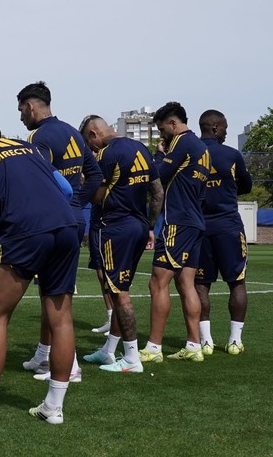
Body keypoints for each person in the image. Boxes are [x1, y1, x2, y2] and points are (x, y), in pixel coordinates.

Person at [0, 129, 78, 426]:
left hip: (25, 229)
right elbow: (67, 190)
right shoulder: (29, 148)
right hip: (66, 225)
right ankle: (54, 407)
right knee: (61, 319)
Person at [14, 81, 102, 382]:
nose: (21, 117)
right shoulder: (72, 133)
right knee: (51, 292)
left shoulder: (38, 137)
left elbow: (38, 181)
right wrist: (76, 203)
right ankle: (43, 354)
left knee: (58, 298)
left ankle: (70, 365)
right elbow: (95, 175)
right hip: (73, 220)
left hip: (52, 223)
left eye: (21, 111)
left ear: (31, 107)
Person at [78, 116, 164, 373]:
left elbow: (97, 196)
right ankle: (109, 350)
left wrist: (83, 183)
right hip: (139, 226)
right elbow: (158, 193)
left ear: (93, 134)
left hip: (115, 227)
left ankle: (131, 358)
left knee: (118, 292)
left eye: (89, 144)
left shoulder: (106, 155)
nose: (91, 150)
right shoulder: (141, 148)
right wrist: (150, 225)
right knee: (120, 287)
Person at [139, 101, 211, 363]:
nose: (162, 135)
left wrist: (159, 155)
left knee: (158, 283)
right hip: (195, 221)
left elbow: (158, 175)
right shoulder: (202, 148)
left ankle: (153, 347)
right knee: (186, 283)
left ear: (173, 123)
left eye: (162, 130)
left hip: (177, 222)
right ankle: (194, 345)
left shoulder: (182, 142)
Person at [195, 110, 252, 356]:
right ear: (216, 127)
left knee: (200, 285)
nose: (227, 132)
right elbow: (246, 186)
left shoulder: (190, 154)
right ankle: (235, 341)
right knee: (237, 283)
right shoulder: (231, 154)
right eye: (225, 128)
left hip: (199, 229)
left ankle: (205, 342)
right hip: (228, 227)